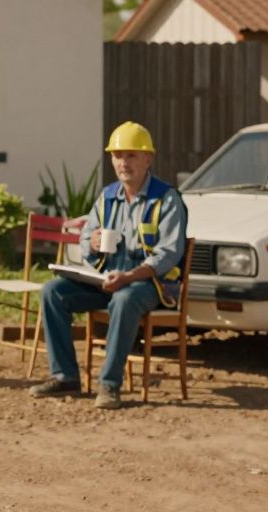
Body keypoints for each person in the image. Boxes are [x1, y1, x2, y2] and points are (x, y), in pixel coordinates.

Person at [30, 121, 188, 410]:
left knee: (125, 300)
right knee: (53, 291)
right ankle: (65, 377)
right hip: (108, 281)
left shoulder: (167, 199)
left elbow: (167, 255)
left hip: (149, 285)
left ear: (147, 159)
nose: (123, 163)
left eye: (130, 155)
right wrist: (90, 243)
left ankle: (109, 385)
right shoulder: (106, 197)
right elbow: (88, 237)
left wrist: (128, 277)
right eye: (117, 156)